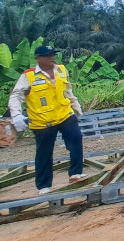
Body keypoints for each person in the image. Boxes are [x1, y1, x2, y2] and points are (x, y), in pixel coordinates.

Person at [8, 45, 86, 195]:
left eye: (53, 55)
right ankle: (44, 185)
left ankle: (76, 173)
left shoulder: (61, 70)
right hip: (42, 122)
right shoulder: (28, 76)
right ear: (38, 58)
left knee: (76, 138)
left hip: (64, 114)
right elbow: (15, 96)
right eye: (47, 55)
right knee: (44, 152)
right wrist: (16, 115)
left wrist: (76, 105)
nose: (52, 58)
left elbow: (67, 90)